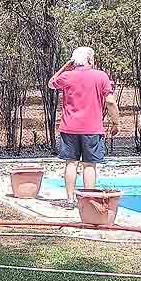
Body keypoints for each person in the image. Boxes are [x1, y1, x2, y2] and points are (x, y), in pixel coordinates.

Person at [48, 47, 121, 207]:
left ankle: (70, 199)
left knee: (71, 163)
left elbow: (51, 84)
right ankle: (88, 201)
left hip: (69, 128)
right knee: (89, 165)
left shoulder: (67, 76)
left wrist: (64, 68)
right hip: (92, 129)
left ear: (74, 61)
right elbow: (110, 101)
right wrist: (116, 122)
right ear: (90, 60)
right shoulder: (101, 76)